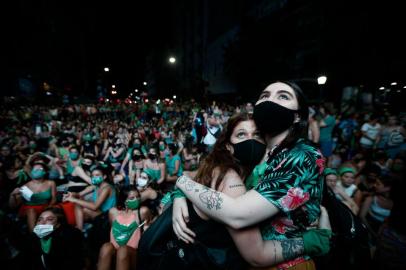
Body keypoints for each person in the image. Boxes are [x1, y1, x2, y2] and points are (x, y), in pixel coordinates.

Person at [174, 81, 329, 269]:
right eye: (264, 96)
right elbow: (196, 175)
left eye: (283, 96)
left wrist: (182, 183)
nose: (270, 100)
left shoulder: (301, 155)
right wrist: (180, 194)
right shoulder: (261, 158)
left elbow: (239, 214)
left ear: (297, 116)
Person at [98, 187, 146, 270]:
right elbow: (112, 231)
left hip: (133, 253)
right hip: (115, 250)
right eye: (132, 198)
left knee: (123, 250)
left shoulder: (142, 212)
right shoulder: (113, 212)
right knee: (106, 247)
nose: (136, 200)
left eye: (138, 197)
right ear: (124, 200)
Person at [63, 164, 116, 230]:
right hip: (98, 212)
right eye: (92, 176)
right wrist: (71, 194)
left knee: (83, 208)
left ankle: (79, 231)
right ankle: (80, 228)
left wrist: (73, 199)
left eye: (97, 175)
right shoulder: (95, 186)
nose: (94, 177)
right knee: (78, 205)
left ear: (104, 176)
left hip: (106, 216)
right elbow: (79, 194)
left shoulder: (107, 188)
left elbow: (95, 207)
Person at [9, 161, 57, 232]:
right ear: (31, 172)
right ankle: (34, 236)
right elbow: (13, 206)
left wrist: (49, 206)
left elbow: (54, 199)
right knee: (31, 211)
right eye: (34, 169)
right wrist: (12, 195)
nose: (36, 171)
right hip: (28, 210)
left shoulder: (51, 183)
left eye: (39, 169)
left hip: (45, 208)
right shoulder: (25, 186)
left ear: (44, 172)